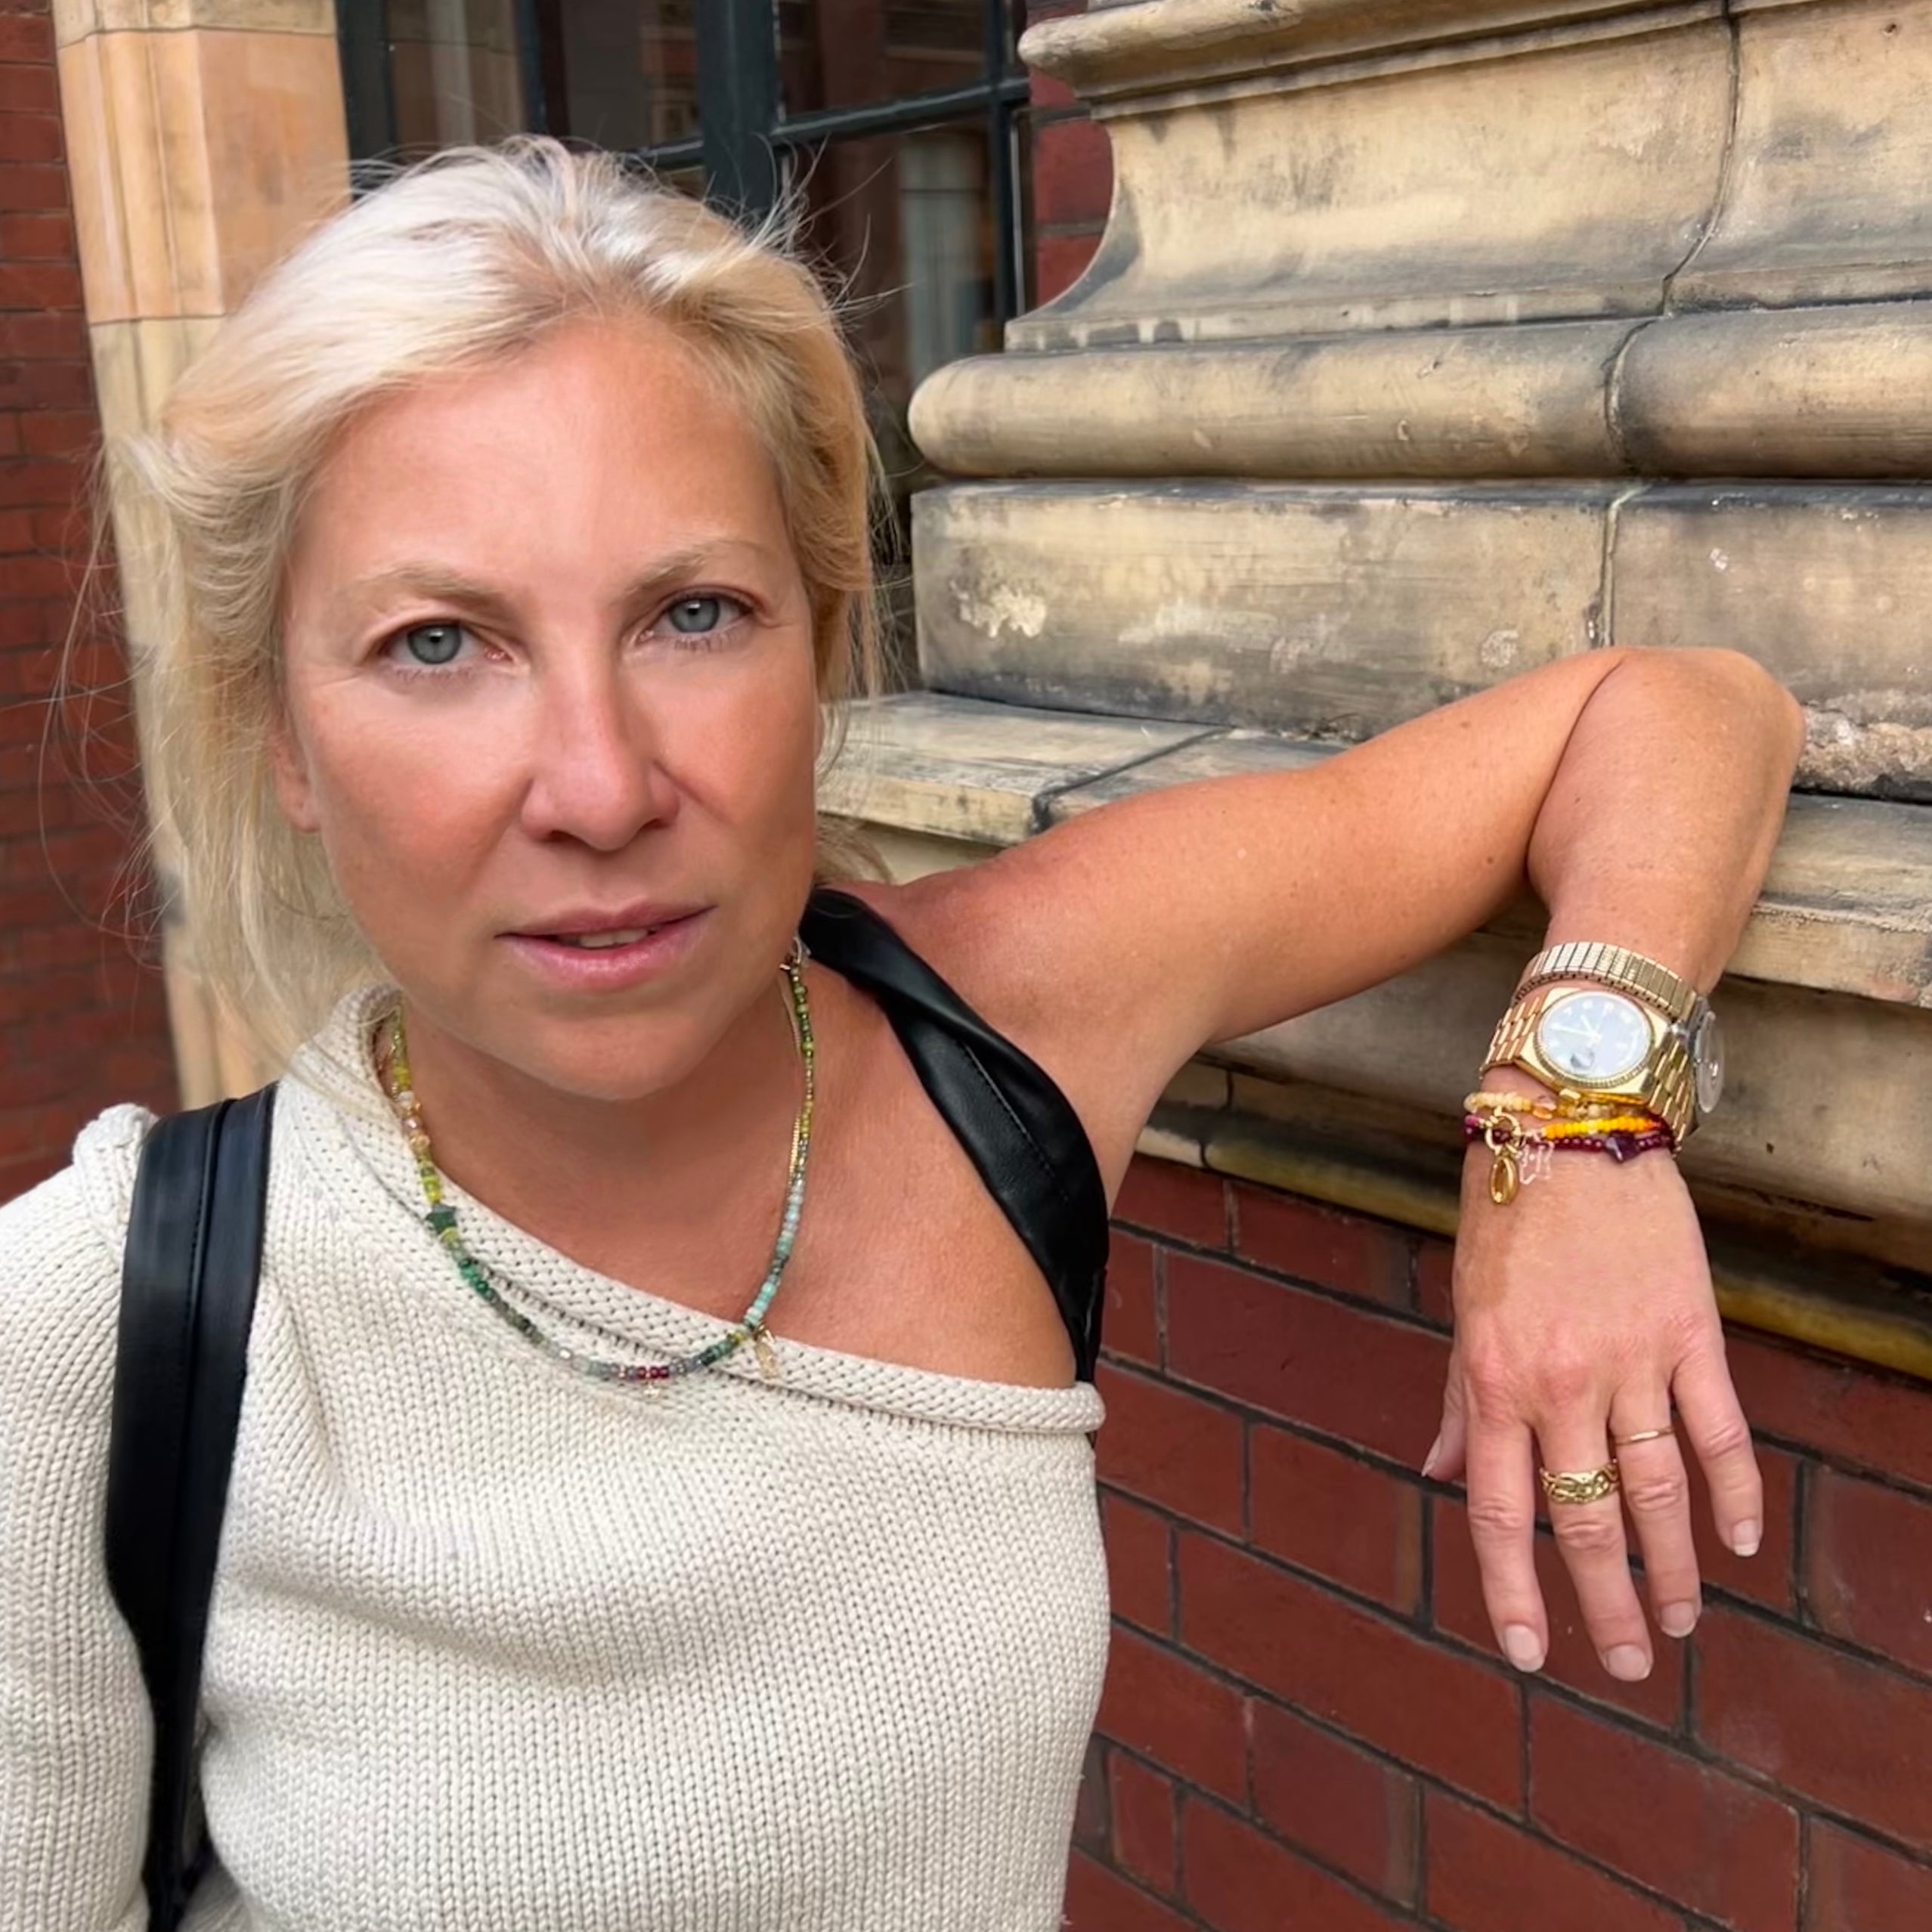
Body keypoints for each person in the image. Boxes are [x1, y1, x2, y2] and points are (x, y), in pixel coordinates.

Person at [0, 139, 1804, 1931]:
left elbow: (1681, 711)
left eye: (694, 615)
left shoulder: (1000, 1035)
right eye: (436, 644)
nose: (601, 788)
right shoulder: (101, 1329)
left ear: (818, 652)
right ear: (284, 739)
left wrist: (1573, 1131)